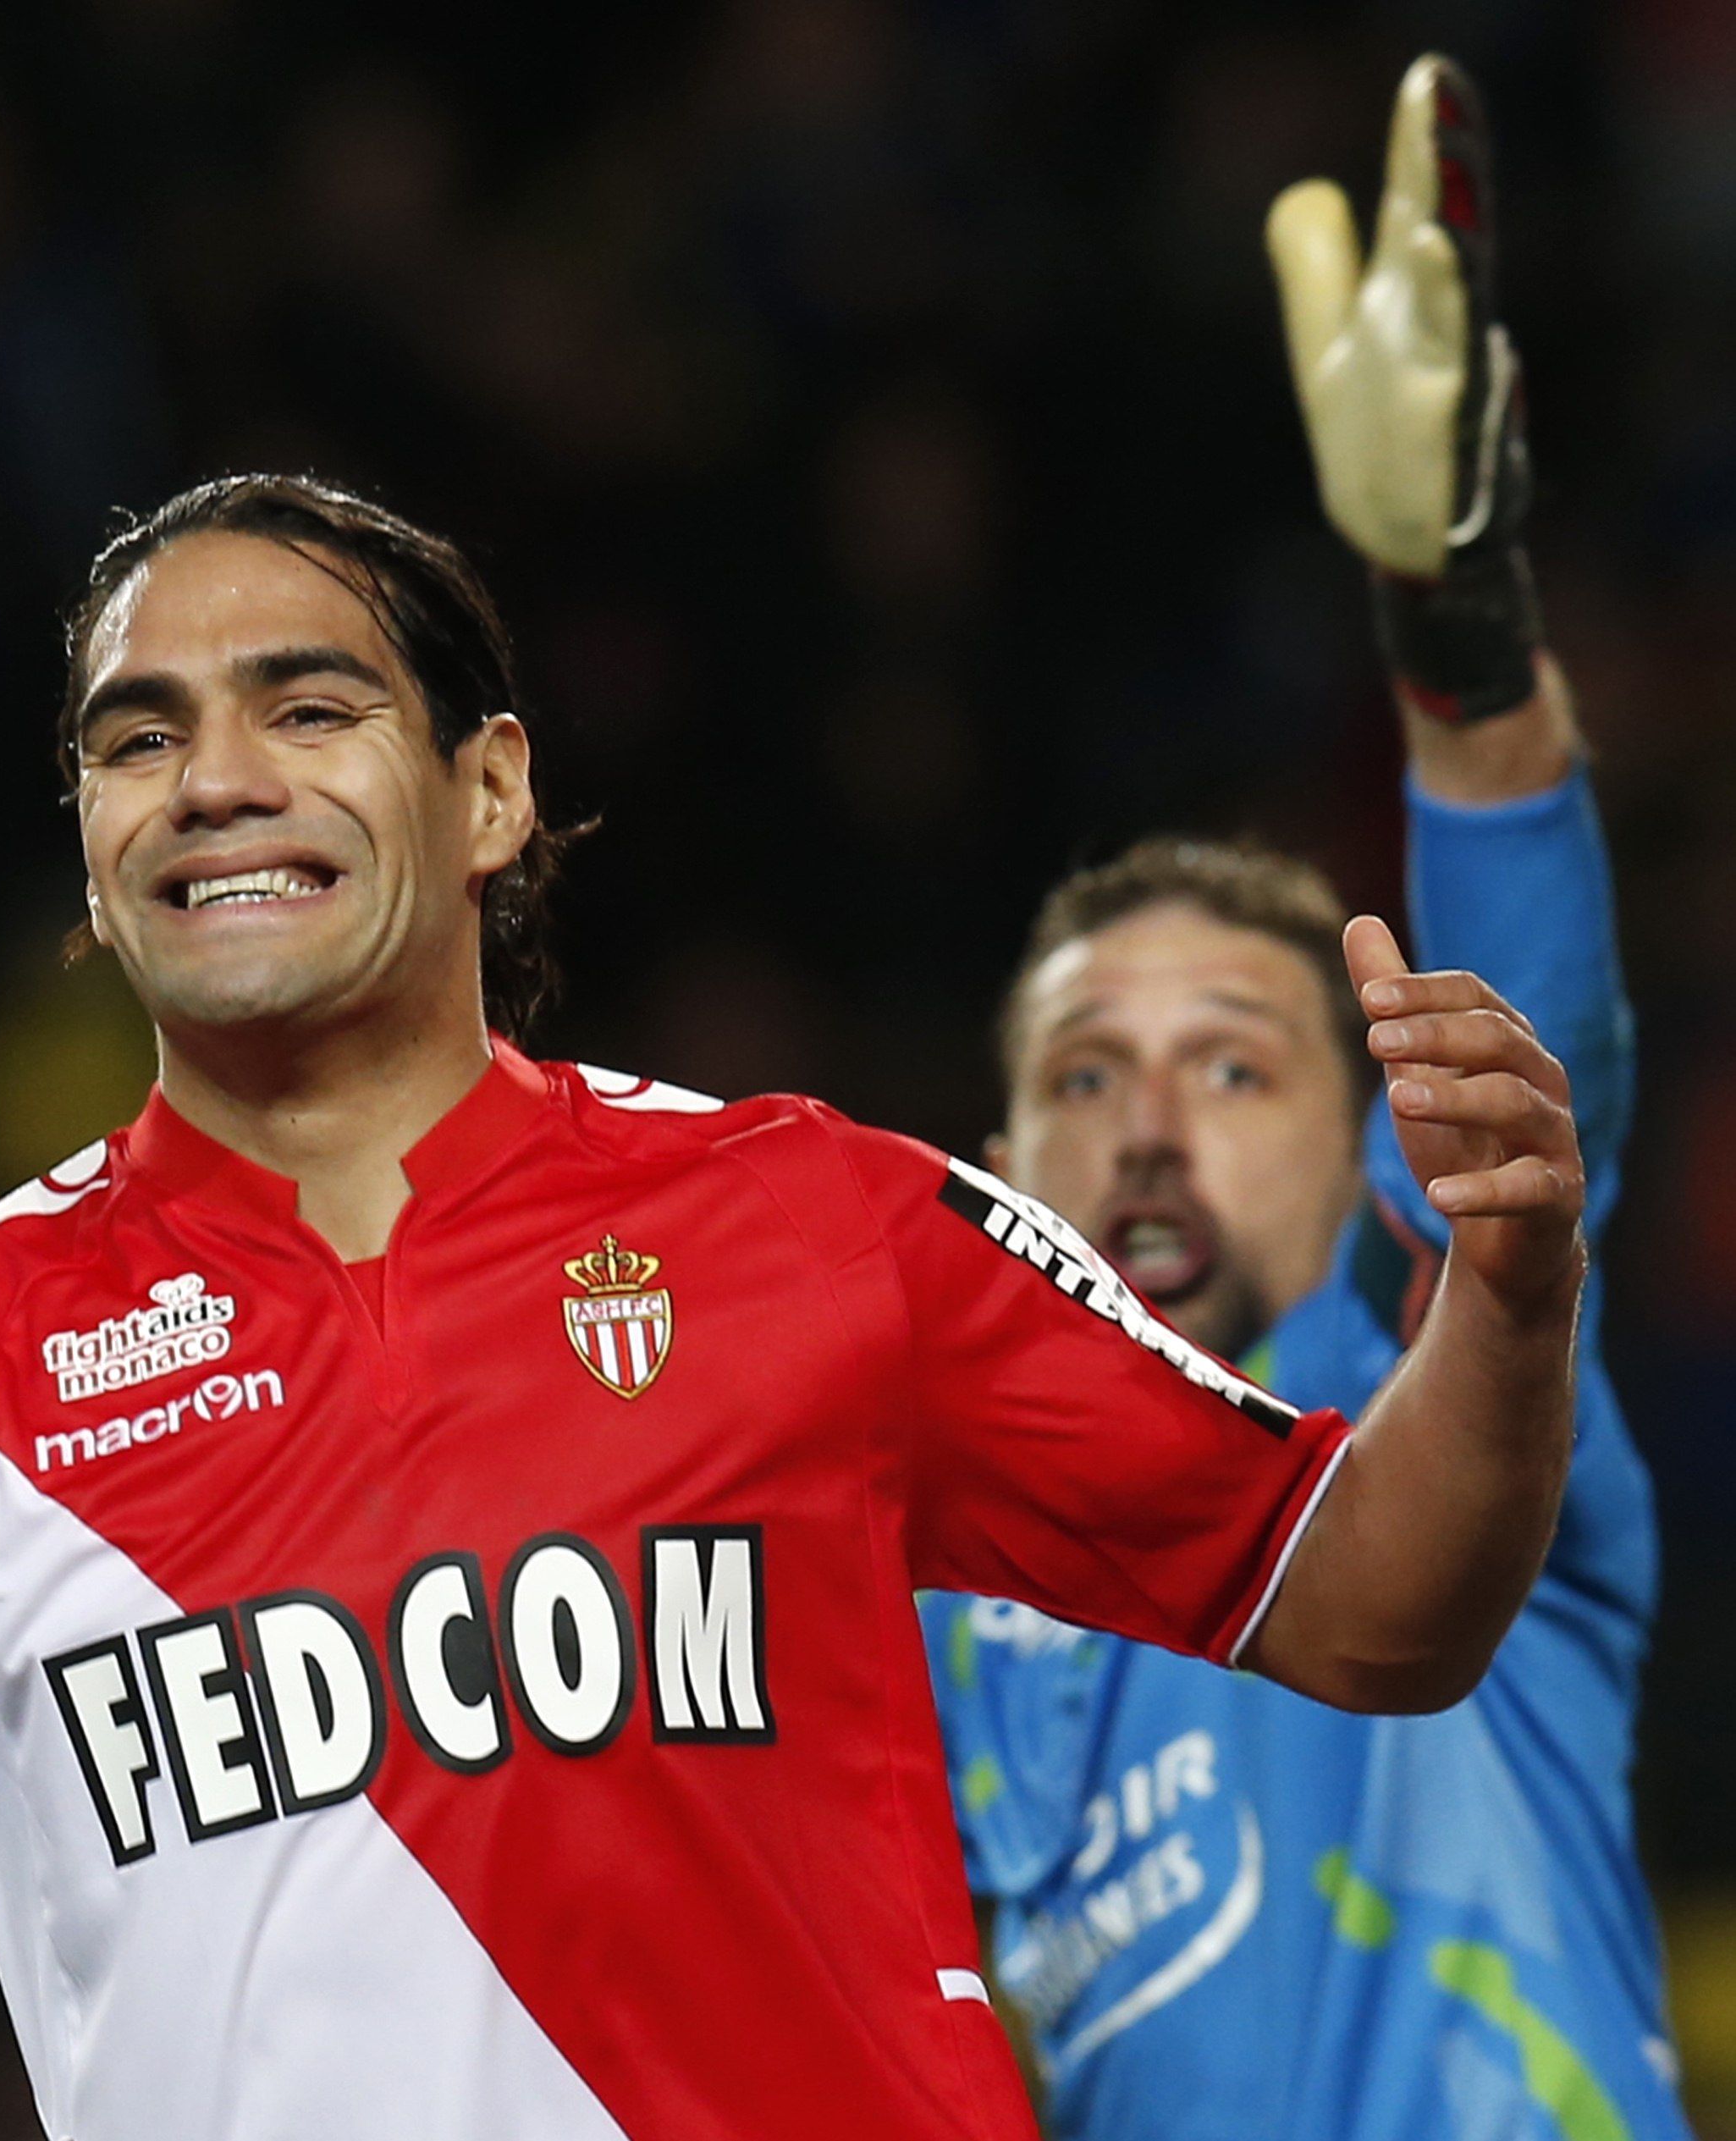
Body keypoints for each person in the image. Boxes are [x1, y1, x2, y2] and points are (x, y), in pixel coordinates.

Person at [0, 464, 1589, 2141]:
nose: (209, 774)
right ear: (87, 863)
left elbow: (1373, 1599)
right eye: (134, 738)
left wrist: (1511, 1287)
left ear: (489, 788)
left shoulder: (826, 1222)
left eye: (305, 704)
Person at [919, 55, 1689, 2141]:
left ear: (1360, 1145)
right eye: (1087, 1075)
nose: (1149, 1125)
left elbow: (1523, 1104)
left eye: (1232, 1063)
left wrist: (1457, 626)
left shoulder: (1424, 1415)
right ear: (994, 1176)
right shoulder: (920, 1614)